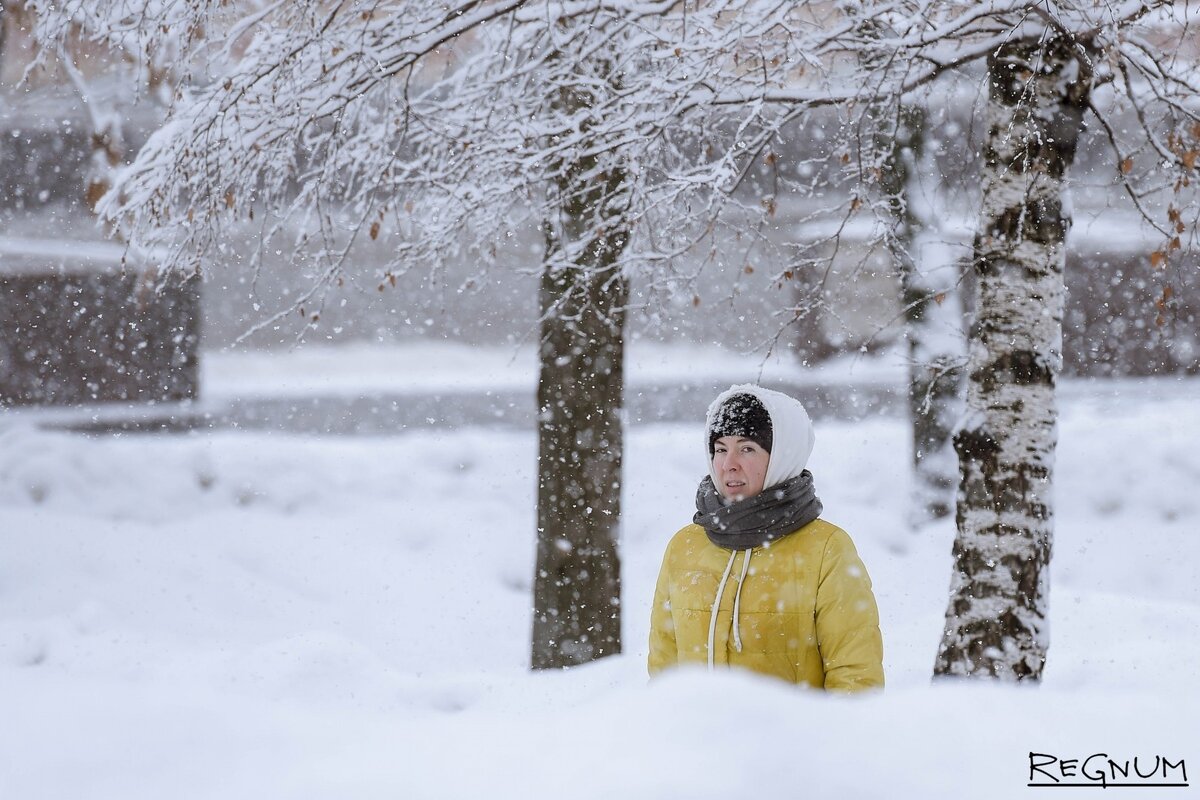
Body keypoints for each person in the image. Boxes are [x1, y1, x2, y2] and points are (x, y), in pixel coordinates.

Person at [647, 384, 884, 691]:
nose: (729, 463)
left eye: (747, 448)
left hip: (792, 739)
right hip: (697, 739)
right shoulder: (685, 546)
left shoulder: (826, 549)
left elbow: (856, 677)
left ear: (782, 456)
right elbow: (664, 673)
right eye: (720, 449)